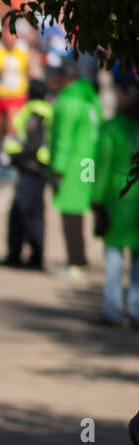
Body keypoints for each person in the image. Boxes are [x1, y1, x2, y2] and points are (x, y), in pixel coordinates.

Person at [93, 83, 139, 325]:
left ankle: (112, 310)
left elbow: (98, 168)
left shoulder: (111, 129)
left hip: (116, 201)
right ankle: (136, 310)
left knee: (113, 257)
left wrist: (96, 200)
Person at [49, 73, 101, 279]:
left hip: (73, 164)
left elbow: (63, 139)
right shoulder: (91, 99)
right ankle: (82, 259)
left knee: (71, 212)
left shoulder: (68, 102)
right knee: (87, 209)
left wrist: (57, 168)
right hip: (89, 162)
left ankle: (76, 262)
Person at [1, 80, 53, 272]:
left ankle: (27, 255)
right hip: (38, 167)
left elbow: (32, 143)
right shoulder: (46, 110)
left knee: (25, 211)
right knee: (32, 210)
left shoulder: (35, 113)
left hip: (32, 167)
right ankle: (30, 254)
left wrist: (14, 156)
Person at [0, 27, 30, 143]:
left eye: (12, 38)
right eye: (6, 38)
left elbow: (30, 70)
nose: (9, 41)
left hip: (16, 95)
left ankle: (9, 150)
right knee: (1, 127)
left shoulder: (23, 52)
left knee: (11, 125)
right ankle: (4, 145)